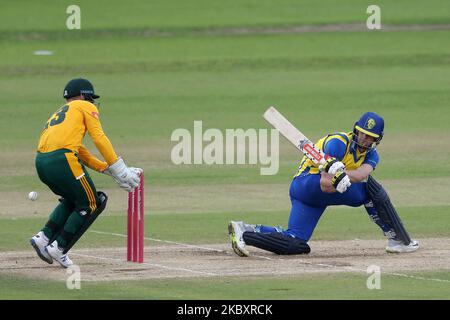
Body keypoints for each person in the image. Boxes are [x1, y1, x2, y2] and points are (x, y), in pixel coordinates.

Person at [228, 112, 419, 256]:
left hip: (314, 199)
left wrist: (343, 176)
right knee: (368, 193)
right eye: (362, 133)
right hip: (306, 185)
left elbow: (362, 174)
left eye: (370, 136)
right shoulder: (337, 143)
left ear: (377, 139)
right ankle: (397, 239)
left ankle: (245, 231)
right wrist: (337, 181)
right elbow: (325, 185)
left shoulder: (372, 155)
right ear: (356, 129)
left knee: (296, 244)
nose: (364, 139)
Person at [30, 78, 142, 268]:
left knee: (73, 199)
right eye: (90, 98)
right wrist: (119, 168)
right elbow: (98, 137)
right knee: (92, 202)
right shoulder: (83, 106)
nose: (92, 102)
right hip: (62, 160)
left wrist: (106, 169)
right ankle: (58, 247)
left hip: (42, 162)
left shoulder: (62, 113)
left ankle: (44, 238)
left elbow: (80, 150)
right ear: (83, 95)